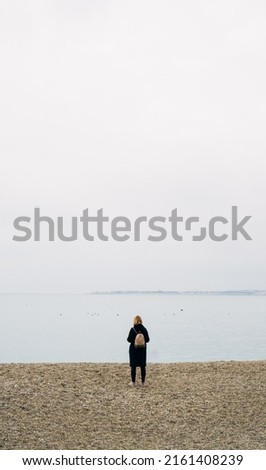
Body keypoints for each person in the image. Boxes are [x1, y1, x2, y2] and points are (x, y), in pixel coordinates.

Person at [127, 315, 150, 386]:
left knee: (133, 366)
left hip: (134, 349)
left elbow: (129, 340)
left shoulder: (132, 329)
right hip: (142, 350)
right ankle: (143, 382)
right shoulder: (144, 329)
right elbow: (148, 340)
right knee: (142, 366)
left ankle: (133, 382)